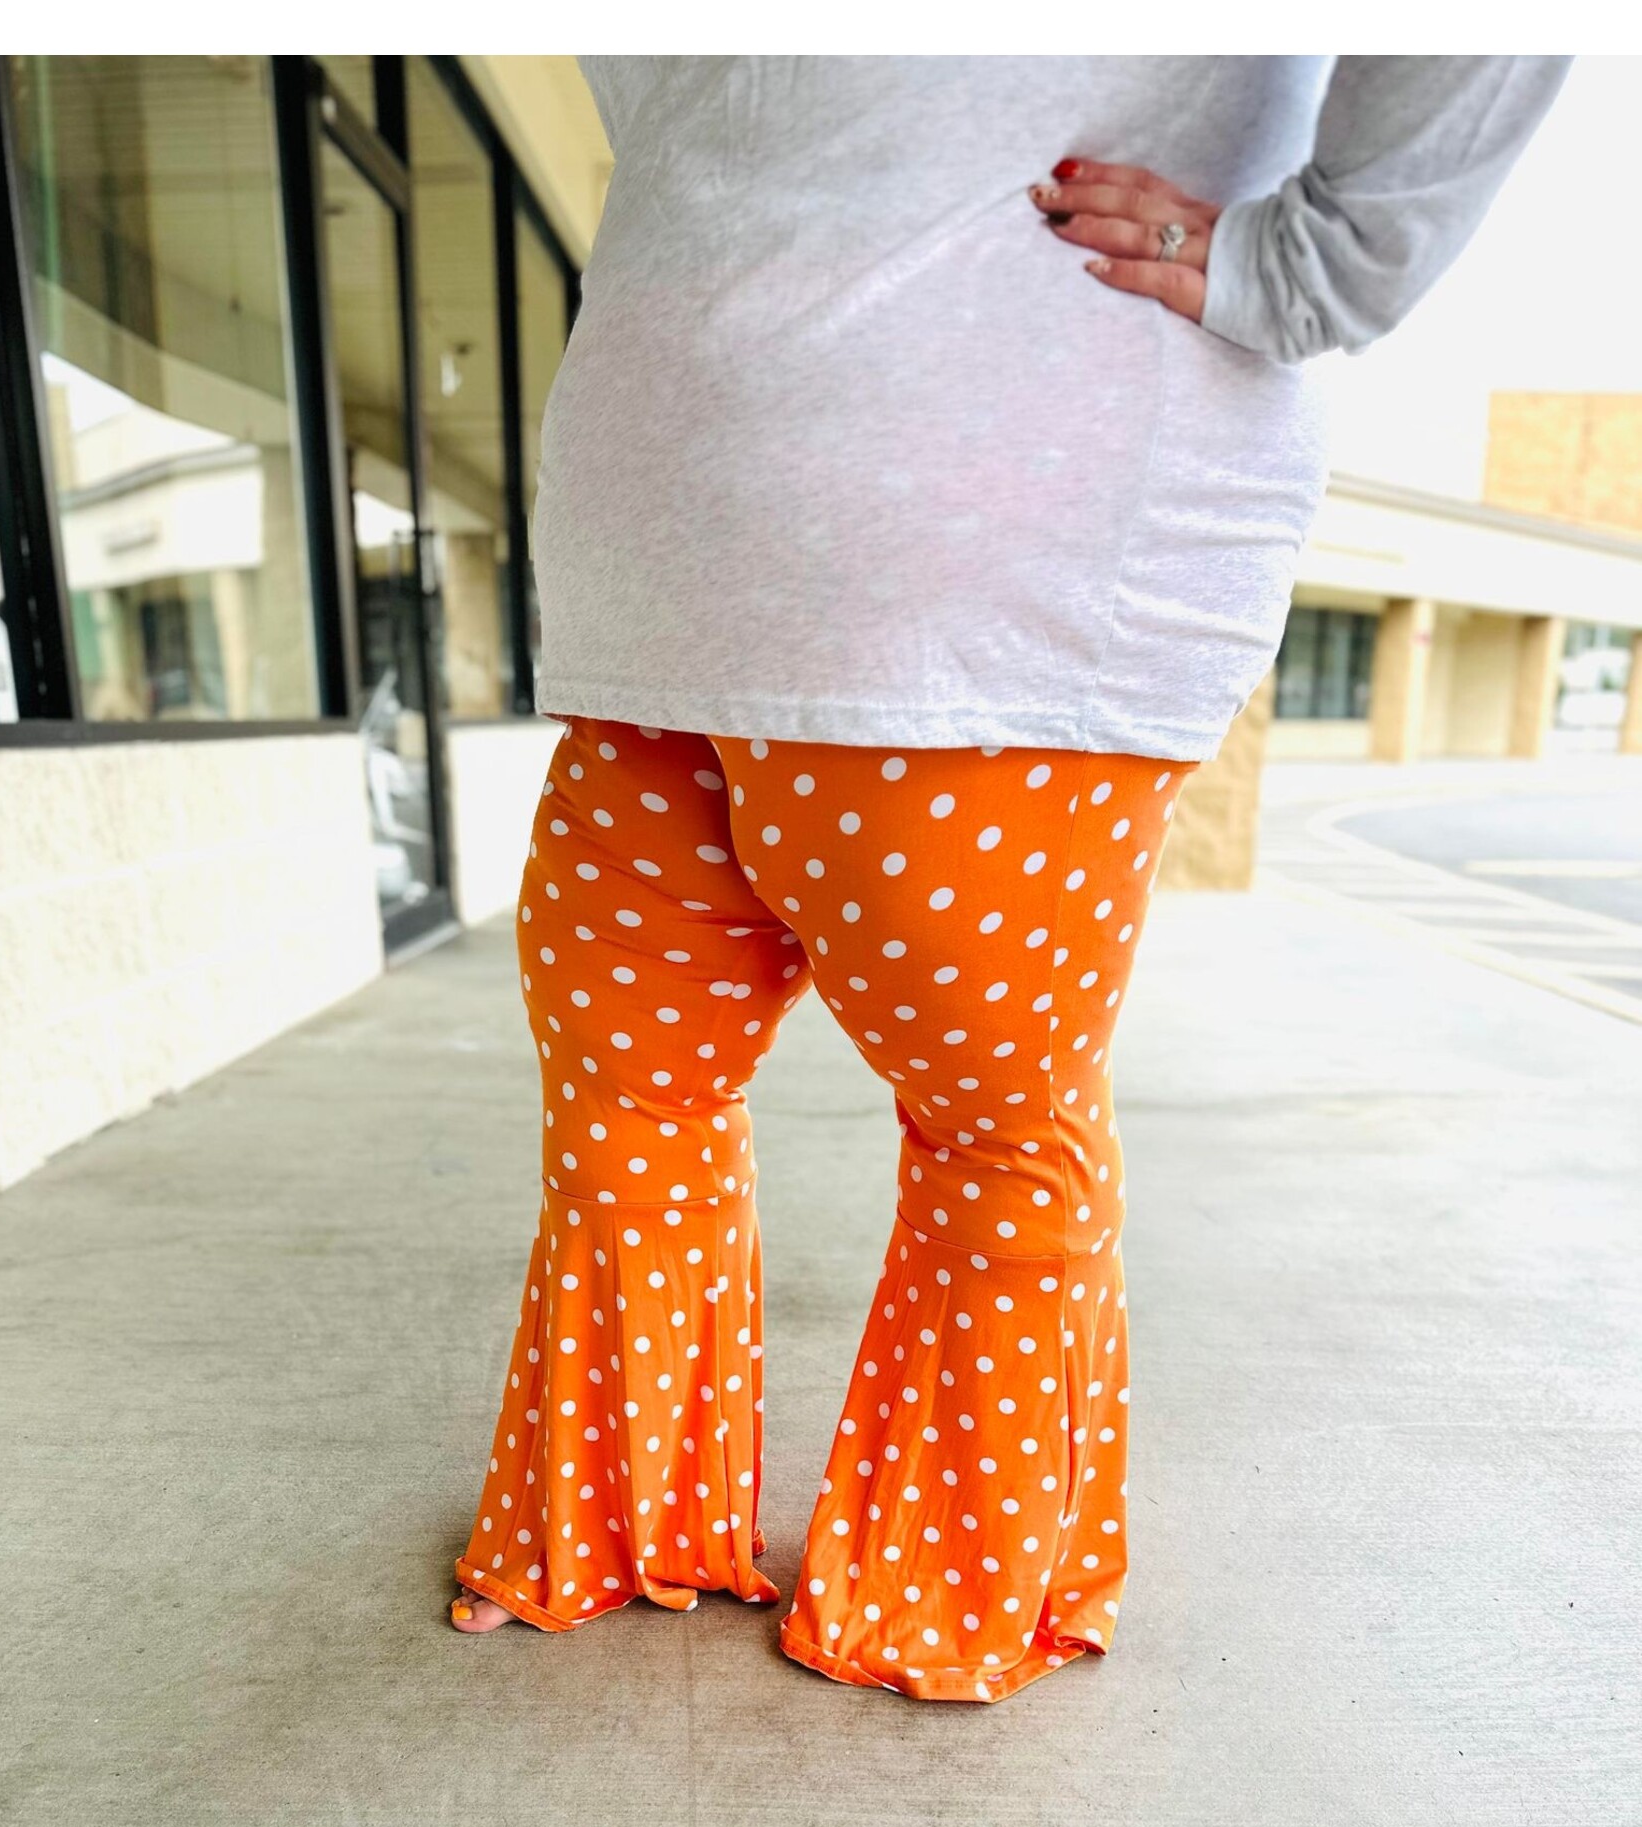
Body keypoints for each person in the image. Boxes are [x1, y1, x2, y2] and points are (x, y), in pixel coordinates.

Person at [449, 55, 1569, 1702]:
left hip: (984, 613)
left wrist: (1305, 267)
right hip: (651, 616)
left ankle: (947, 1588)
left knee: (989, 1124)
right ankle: (617, 1518)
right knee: (626, 1091)